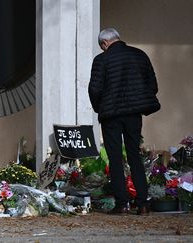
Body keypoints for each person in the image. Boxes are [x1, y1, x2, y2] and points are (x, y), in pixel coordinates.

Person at [88, 28, 160, 215]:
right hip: (133, 114)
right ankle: (143, 203)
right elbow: (152, 84)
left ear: (104, 44)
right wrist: (140, 101)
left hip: (111, 115)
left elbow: (94, 89)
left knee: (115, 158)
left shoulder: (101, 60)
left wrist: (100, 107)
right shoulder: (139, 55)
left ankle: (122, 204)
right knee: (134, 155)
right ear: (117, 38)